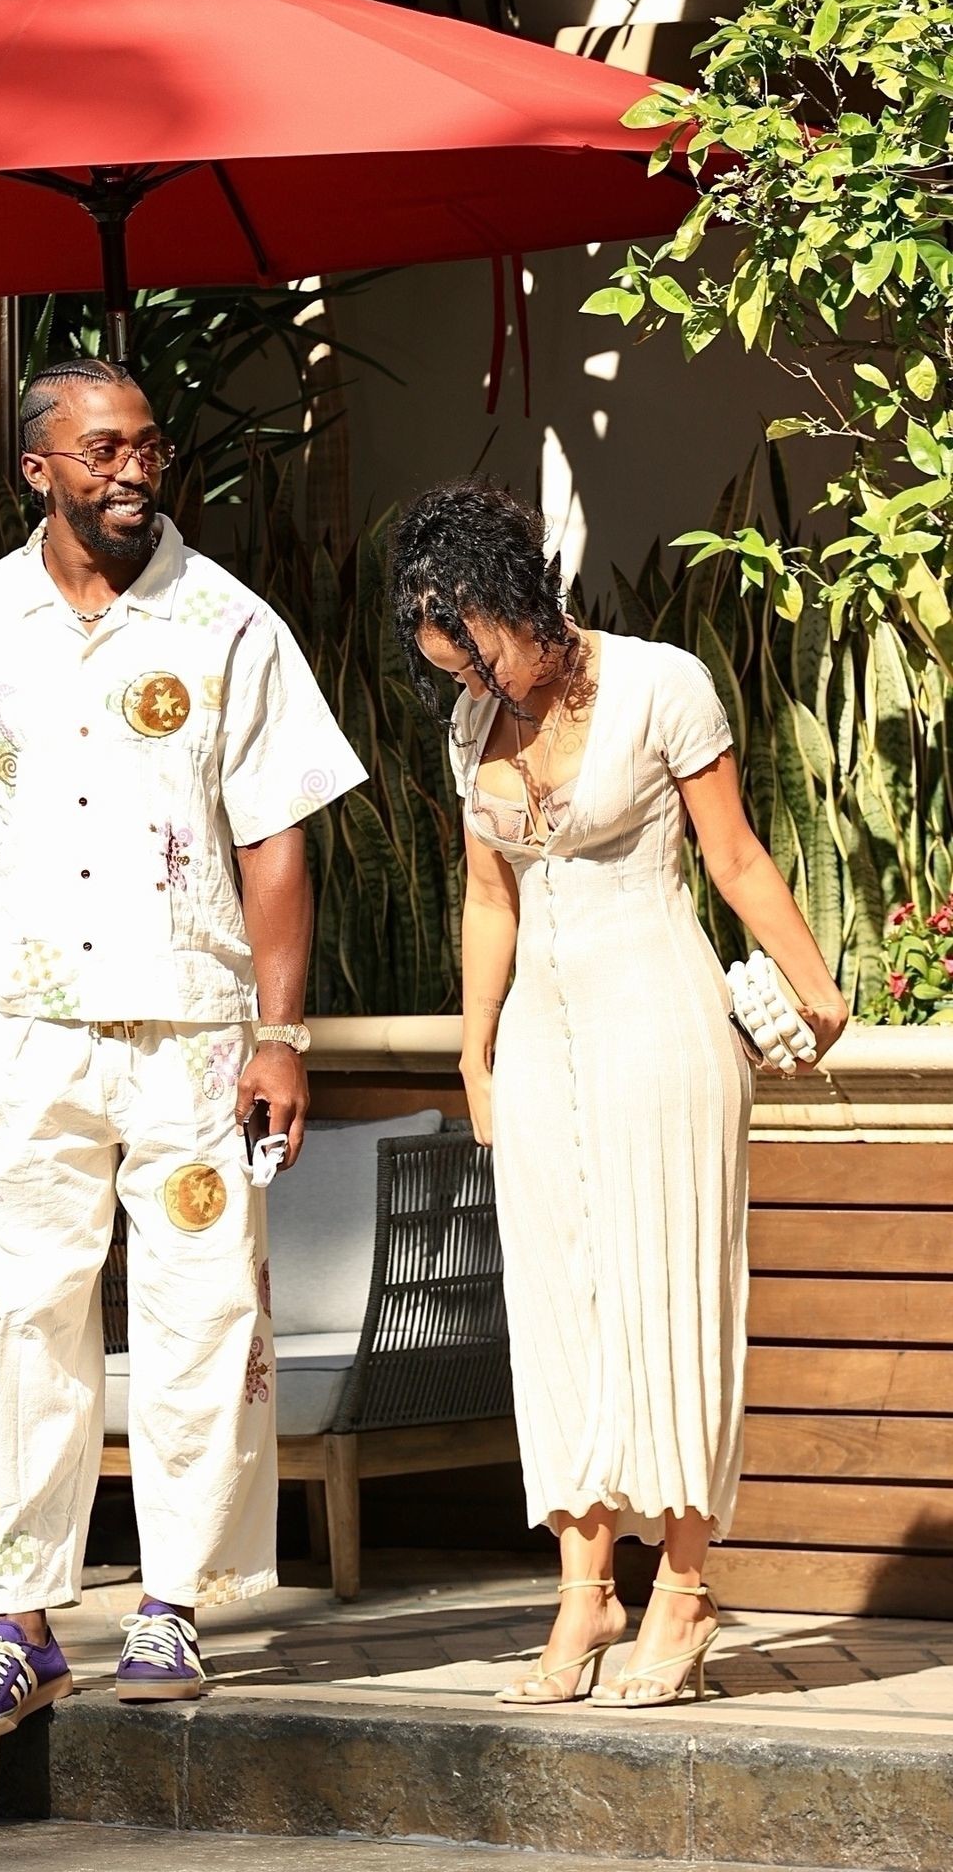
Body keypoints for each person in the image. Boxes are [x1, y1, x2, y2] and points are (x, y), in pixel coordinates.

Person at [0, 357, 366, 1744]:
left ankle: (170, 1606)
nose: (133, 469)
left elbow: (276, 838)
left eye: (147, 446)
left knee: (201, 1314)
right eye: (102, 450)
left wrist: (280, 1033)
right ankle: (20, 1625)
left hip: (195, 1040)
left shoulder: (229, 621)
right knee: (22, 1320)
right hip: (30, 1043)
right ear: (38, 470)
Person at [388, 478, 848, 1709]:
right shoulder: (470, 723)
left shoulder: (658, 684)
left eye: (479, 656)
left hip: (657, 1017)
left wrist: (815, 986)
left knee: (669, 1295)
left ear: (516, 599)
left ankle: (683, 1591)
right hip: (538, 1039)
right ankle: (584, 1589)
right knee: (557, 1310)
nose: (474, 685)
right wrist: (473, 1053)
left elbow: (732, 855)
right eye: (451, 670)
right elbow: (487, 897)